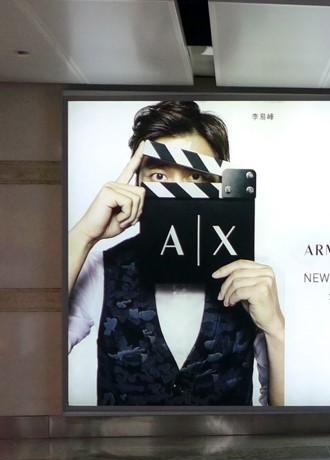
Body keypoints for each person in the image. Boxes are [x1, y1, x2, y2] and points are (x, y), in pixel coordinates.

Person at [68, 101, 285, 406]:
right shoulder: (100, 270)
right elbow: (32, 359)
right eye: (159, 176)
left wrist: (276, 330)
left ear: (220, 184)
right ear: (137, 184)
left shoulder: (256, 281)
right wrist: (83, 236)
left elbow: (279, 415)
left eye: (196, 177)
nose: (179, 194)